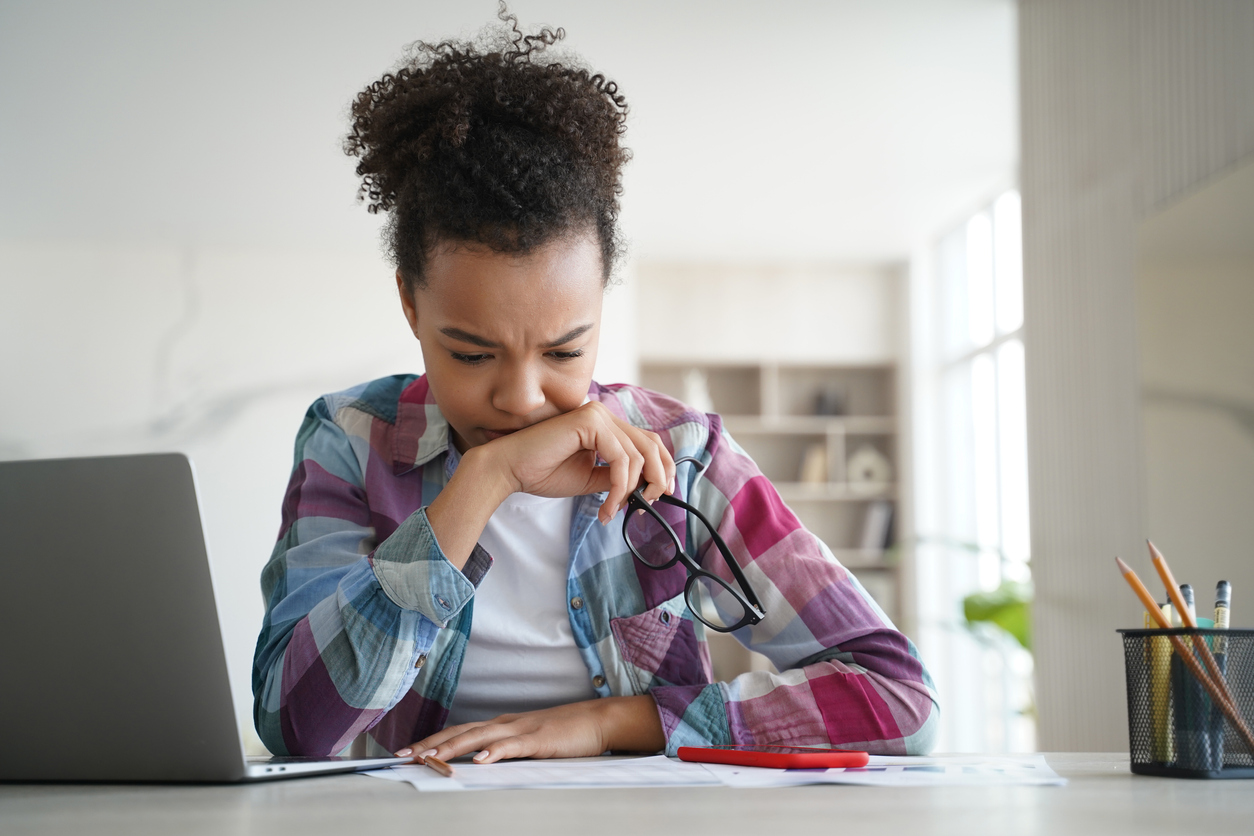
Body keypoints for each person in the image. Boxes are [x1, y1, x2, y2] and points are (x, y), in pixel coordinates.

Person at [252, 8, 938, 765]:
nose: (521, 398)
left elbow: (900, 702)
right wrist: (483, 480)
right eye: (473, 355)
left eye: (563, 349)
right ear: (411, 305)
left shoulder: (685, 456)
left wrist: (609, 724)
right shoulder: (352, 440)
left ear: (600, 306)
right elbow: (297, 728)